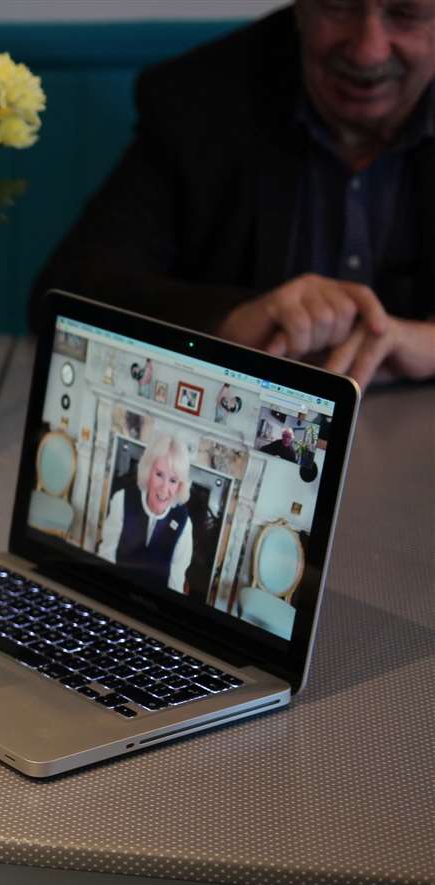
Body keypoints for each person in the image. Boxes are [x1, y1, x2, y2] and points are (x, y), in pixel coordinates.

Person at [31, 0, 435, 387]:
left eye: (405, 13)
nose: (368, 51)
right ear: (301, 8)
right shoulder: (201, 97)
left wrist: (425, 343)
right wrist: (232, 320)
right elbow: (70, 290)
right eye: (339, 6)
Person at [98, 433, 195, 594]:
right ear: (148, 471)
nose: (164, 489)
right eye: (159, 474)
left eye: (173, 480)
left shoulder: (184, 525)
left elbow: (175, 583)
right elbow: (106, 556)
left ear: (180, 485)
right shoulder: (122, 500)